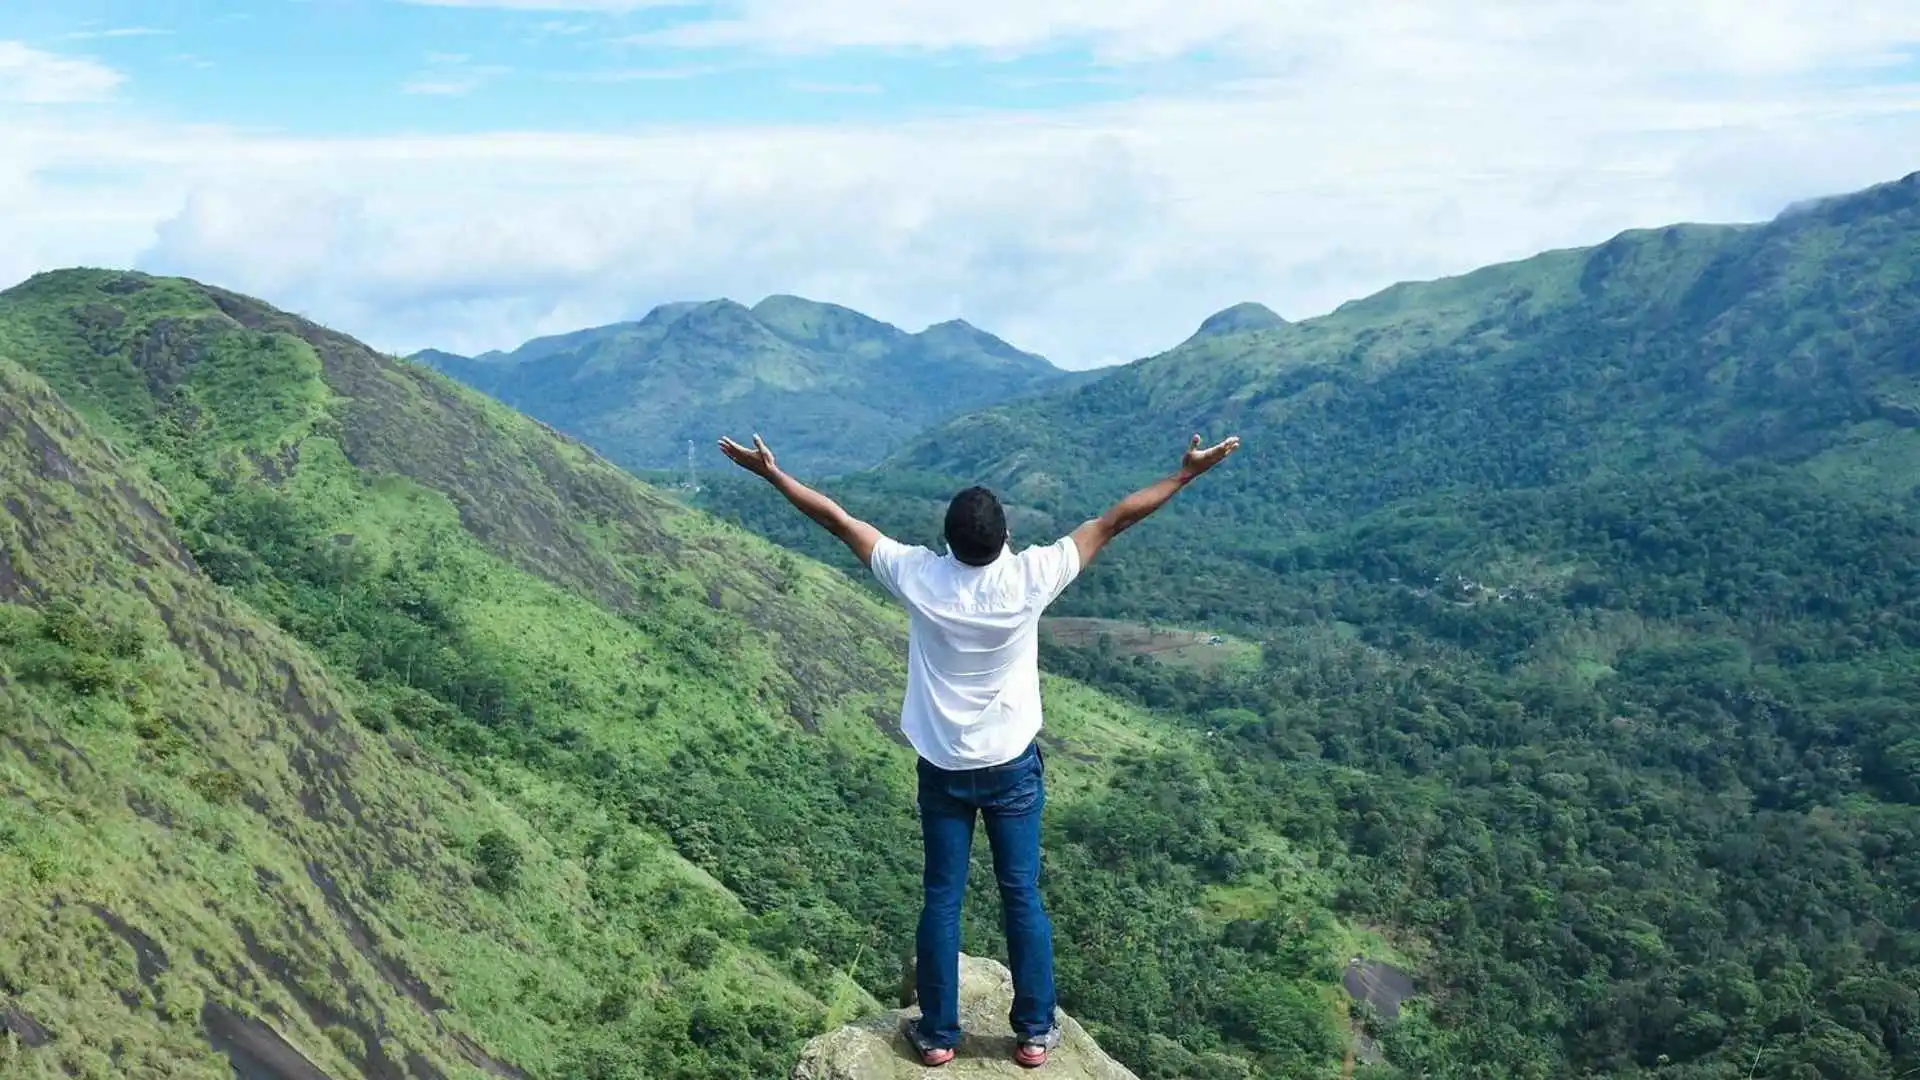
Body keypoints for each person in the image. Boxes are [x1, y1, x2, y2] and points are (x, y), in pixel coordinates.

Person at [717, 431, 1242, 1069]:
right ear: (1005, 536)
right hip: (1012, 769)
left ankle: (937, 1035)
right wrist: (1184, 474)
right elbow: (1116, 519)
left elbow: (836, 519)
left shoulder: (917, 576)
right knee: (1021, 892)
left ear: (947, 539)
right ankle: (1033, 1033)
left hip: (942, 768)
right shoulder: (1031, 577)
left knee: (942, 895)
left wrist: (773, 475)